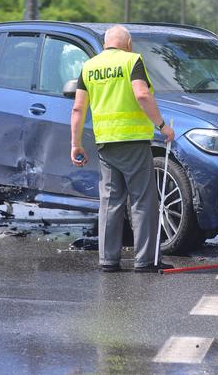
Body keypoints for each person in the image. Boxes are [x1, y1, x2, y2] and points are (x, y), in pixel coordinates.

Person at [70, 25, 175, 273]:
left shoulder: (90, 66)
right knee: (142, 201)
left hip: (105, 143)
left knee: (109, 202)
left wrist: (75, 144)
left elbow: (77, 108)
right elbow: (142, 95)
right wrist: (162, 126)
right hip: (134, 142)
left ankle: (108, 260)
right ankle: (145, 260)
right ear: (128, 44)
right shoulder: (132, 60)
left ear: (106, 44)